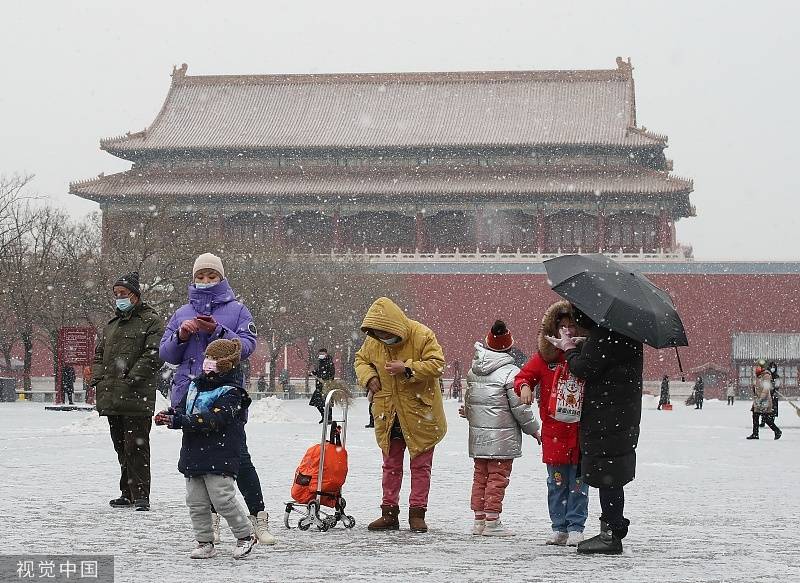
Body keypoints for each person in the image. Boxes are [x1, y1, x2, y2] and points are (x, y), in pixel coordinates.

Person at [159, 253, 275, 545]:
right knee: (198, 457)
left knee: (239, 456)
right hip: (191, 394)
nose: (206, 281)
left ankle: (257, 515)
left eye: (212, 276)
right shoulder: (182, 312)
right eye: (201, 276)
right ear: (193, 279)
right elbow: (166, 354)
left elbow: (247, 346)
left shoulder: (237, 310)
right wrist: (182, 337)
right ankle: (210, 520)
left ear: (222, 278)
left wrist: (218, 331)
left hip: (225, 393)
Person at [546, 305, 642, 555]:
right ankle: (613, 527)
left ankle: (610, 534)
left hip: (605, 417)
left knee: (607, 474)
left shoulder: (605, 334)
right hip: (624, 414)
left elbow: (585, 368)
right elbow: (605, 360)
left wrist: (569, 348)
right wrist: (586, 344)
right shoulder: (626, 333)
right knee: (614, 473)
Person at [155, 339, 258, 559]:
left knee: (222, 498)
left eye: (214, 358)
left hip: (220, 452)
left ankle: (245, 535)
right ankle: (204, 541)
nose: (208, 362)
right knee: (196, 501)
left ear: (227, 363)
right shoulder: (195, 386)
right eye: (207, 357)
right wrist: (169, 416)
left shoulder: (233, 393)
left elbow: (215, 419)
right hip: (193, 452)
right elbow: (183, 409)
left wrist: (181, 421)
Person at [355, 297, 447, 533]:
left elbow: (437, 364)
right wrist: (369, 378)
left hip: (420, 413)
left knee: (421, 467)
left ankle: (417, 513)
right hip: (389, 413)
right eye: (378, 334)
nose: (383, 338)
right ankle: (389, 513)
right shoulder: (373, 342)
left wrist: (407, 368)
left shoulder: (422, 335)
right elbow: (360, 360)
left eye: (385, 333)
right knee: (390, 465)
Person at [515, 301, 589, 546]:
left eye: (572, 326)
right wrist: (524, 387)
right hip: (554, 433)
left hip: (580, 433)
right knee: (557, 484)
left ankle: (576, 526)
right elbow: (524, 376)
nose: (567, 331)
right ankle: (559, 527)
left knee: (578, 485)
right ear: (554, 328)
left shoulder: (585, 357)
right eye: (562, 326)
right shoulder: (545, 358)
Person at [91, 271, 164, 511]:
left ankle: (141, 495)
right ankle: (128, 492)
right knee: (121, 446)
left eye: (123, 293)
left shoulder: (150, 321)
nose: (119, 298)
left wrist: (132, 377)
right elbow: (99, 354)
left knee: (137, 446)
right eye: (116, 294)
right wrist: (99, 377)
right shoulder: (111, 326)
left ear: (135, 295)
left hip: (136, 395)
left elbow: (154, 354)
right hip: (112, 395)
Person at [461, 321, 540, 537]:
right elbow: (520, 409)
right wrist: (534, 429)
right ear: (509, 347)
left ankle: (479, 521)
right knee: (497, 479)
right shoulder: (511, 373)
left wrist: (468, 414)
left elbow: (470, 403)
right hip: (502, 440)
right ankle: (493, 522)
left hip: (479, 439)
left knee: (480, 477)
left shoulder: (473, 370)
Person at [747, 359, 782, 440]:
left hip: (764, 400)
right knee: (755, 416)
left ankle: (777, 431)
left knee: (765, 418)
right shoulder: (759, 376)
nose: (757, 368)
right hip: (758, 399)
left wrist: (761, 398)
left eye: (759, 367)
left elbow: (766, 388)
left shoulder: (766, 376)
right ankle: (755, 434)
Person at [309, 348, 335, 422]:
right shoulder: (320, 362)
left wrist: (324, 378)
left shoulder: (329, 362)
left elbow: (331, 374)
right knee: (317, 403)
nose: (321, 355)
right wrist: (313, 373)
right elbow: (319, 372)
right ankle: (324, 416)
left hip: (327, 386)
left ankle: (329, 418)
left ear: (326, 354)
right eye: (320, 354)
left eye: (323, 354)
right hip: (319, 386)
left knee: (328, 403)